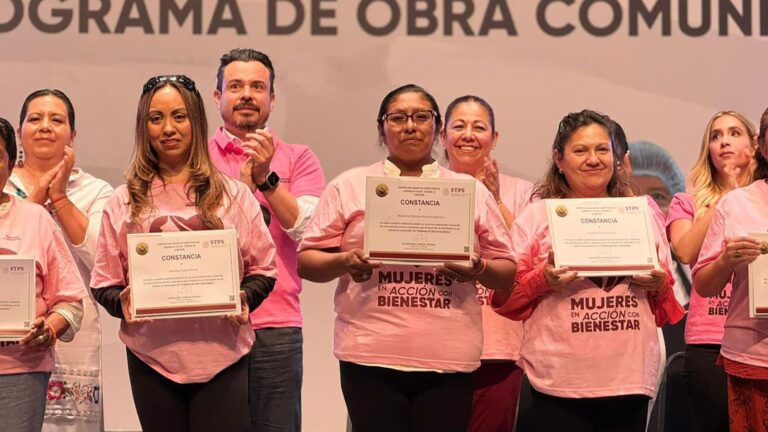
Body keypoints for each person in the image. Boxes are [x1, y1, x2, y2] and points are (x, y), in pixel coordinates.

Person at [297, 84, 517, 432]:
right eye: (397, 118)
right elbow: (307, 261)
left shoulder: (467, 190)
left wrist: (478, 268)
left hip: (449, 356)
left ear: (438, 128)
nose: (410, 126)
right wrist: (346, 261)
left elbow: (506, 272)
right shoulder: (350, 185)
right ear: (381, 129)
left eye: (421, 117)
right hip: (369, 353)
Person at [90, 75, 277, 432]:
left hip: (223, 356)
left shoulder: (234, 194)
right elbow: (104, 281)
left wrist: (244, 298)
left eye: (179, 116)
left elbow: (264, 270)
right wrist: (122, 303)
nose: (168, 128)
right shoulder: (124, 199)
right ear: (144, 127)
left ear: (197, 120)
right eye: (156, 118)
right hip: (152, 359)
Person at [491, 109, 685, 432]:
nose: (593, 159)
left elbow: (664, 305)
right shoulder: (537, 217)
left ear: (616, 156)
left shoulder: (641, 214)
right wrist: (544, 279)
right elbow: (505, 299)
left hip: (629, 377)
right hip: (560, 379)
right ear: (559, 158)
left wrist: (658, 281)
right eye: (580, 150)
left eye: (602, 150)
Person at [208, 48, 325, 432]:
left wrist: (265, 179)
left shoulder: (298, 158)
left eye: (258, 86)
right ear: (217, 97)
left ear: (272, 99)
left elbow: (308, 229)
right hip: (207, 324)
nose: (247, 94)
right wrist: (240, 193)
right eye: (236, 86)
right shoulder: (196, 160)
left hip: (276, 325)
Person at [3, 89, 113, 431]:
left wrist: (60, 198)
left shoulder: (97, 191)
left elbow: (102, 258)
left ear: (73, 134)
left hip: (71, 330)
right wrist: (34, 203)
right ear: (19, 133)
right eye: (35, 119)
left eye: (57, 120)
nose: (45, 127)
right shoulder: (7, 186)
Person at [441, 94, 532, 431]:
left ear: (494, 139)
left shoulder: (523, 192)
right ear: (442, 135)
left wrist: (493, 199)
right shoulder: (427, 189)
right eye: (458, 126)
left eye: (479, 127)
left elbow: (525, 259)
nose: (468, 135)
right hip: (437, 346)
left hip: (499, 349)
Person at [668, 111, 758, 432]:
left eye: (734, 133)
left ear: (756, 144)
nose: (724, 142)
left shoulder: (761, 200)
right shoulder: (687, 202)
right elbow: (684, 250)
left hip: (757, 339)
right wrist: (726, 199)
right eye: (716, 136)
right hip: (708, 340)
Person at [0, 116, 86, 432]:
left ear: (11, 167)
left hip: (20, 371)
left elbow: (71, 303)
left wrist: (48, 330)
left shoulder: (35, 219)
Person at [691, 106, 768, 431]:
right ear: (762, 145)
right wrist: (725, 260)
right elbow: (704, 285)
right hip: (752, 355)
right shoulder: (736, 203)